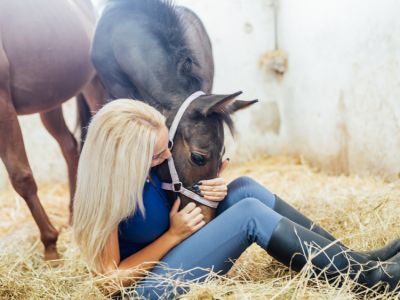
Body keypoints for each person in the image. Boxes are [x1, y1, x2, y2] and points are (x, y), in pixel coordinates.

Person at [73, 99, 400, 299]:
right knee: (248, 215)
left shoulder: (146, 173)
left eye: (166, 147)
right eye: (157, 154)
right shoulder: (108, 196)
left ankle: (357, 261)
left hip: (169, 262)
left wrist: (210, 195)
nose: (167, 157)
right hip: (146, 291)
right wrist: (173, 235)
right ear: (128, 156)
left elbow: (191, 228)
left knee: (241, 188)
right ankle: (371, 280)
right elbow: (109, 282)